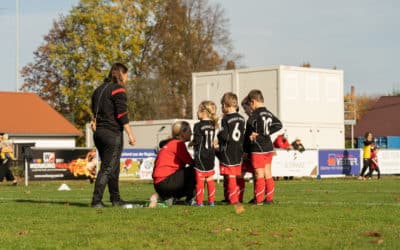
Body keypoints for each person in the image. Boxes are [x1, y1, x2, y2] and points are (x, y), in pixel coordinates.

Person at [90, 63, 136, 208]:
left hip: (99, 134)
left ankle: (116, 199)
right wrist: (130, 134)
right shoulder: (118, 89)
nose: (127, 79)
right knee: (108, 168)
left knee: (113, 166)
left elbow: (95, 112)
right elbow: (122, 114)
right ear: (122, 74)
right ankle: (96, 201)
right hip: (112, 133)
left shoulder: (98, 90)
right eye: (127, 75)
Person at [246, 89, 282, 205]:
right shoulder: (268, 112)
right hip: (268, 147)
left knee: (259, 174)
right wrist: (266, 132)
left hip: (258, 147)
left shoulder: (255, 114)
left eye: (249, 105)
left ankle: (259, 200)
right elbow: (278, 124)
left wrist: (254, 135)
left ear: (253, 102)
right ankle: (269, 199)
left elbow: (249, 129)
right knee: (268, 173)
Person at [151, 121, 195, 206]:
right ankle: (190, 199)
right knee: (196, 170)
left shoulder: (171, 143)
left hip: (159, 184)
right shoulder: (178, 144)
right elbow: (190, 162)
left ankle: (168, 198)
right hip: (166, 181)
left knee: (188, 172)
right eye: (189, 131)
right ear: (183, 132)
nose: (191, 133)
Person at [216, 92, 245, 205]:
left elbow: (225, 136)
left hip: (228, 150)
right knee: (238, 175)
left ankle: (232, 199)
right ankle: (239, 197)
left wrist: (218, 135)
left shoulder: (226, 119)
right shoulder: (242, 118)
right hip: (238, 150)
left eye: (222, 105)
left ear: (225, 104)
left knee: (229, 176)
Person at [191, 100, 218, 207]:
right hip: (211, 155)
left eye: (198, 110)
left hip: (201, 155)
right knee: (210, 179)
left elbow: (197, 141)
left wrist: (192, 143)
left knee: (200, 181)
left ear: (203, 111)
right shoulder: (212, 125)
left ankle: (199, 202)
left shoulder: (198, 126)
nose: (197, 113)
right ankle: (211, 202)